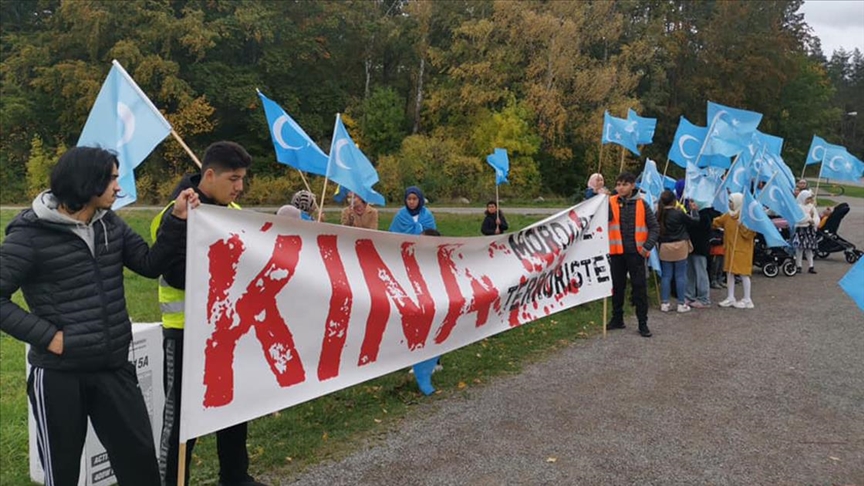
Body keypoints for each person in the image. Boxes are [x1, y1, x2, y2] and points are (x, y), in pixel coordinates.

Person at [0, 147, 198, 486]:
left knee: (141, 469)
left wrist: (176, 220)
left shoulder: (110, 224)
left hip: (114, 368)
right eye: (112, 179)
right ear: (86, 182)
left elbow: (149, 265)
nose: (118, 188)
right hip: (60, 374)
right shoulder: (29, 236)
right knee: (61, 474)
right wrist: (50, 337)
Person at [152, 142, 267, 486]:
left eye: (243, 179)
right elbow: (174, 274)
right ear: (210, 175)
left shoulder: (232, 210)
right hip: (185, 333)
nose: (240, 187)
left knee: (234, 408)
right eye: (234, 178)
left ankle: (235, 477)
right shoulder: (175, 214)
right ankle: (174, 481)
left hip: (227, 331)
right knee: (181, 423)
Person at [606, 172, 660, 338]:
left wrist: (646, 247)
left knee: (639, 288)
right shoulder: (609, 202)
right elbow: (601, 219)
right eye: (618, 184)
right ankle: (617, 318)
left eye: (624, 184)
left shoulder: (642, 205)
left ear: (632, 186)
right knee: (617, 287)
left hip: (636, 253)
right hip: (616, 253)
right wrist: (598, 198)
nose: (621, 187)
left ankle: (642, 323)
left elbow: (655, 228)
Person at [656, 190, 699, 313]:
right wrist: (694, 210)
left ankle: (665, 303)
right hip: (680, 246)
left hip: (664, 246)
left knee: (666, 275)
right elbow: (695, 221)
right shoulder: (679, 213)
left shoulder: (658, 214)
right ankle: (681, 303)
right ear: (674, 201)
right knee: (680, 275)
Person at [712, 193, 757, 309]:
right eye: (729, 202)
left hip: (742, 251)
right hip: (730, 249)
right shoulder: (728, 216)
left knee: (744, 274)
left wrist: (741, 225)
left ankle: (747, 299)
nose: (729, 204)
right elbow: (716, 222)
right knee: (729, 273)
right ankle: (730, 297)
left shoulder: (746, 217)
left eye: (731, 202)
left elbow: (750, 234)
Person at [685, 201, 717, 307]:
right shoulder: (689, 213)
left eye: (693, 201)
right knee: (690, 273)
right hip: (690, 248)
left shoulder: (704, 215)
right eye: (690, 201)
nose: (691, 204)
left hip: (700, 248)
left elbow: (702, 228)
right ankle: (690, 296)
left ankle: (704, 298)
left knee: (700, 273)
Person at [792, 189, 820, 274]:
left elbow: (816, 217)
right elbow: (798, 219)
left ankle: (811, 266)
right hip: (801, 229)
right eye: (808, 198)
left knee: (809, 248)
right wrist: (809, 218)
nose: (809, 200)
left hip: (809, 230)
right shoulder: (798, 207)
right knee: (799, 248)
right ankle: (798, 266)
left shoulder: (811, 207)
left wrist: (813, 221)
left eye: (810, 199)